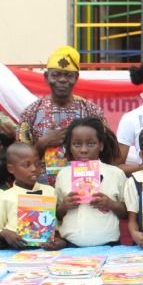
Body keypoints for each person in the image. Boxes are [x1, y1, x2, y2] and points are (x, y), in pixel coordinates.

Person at [17, 46, 105, 183]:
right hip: (42, 189)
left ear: (76, 78)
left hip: (84, 186)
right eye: (56, 75)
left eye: (68, 75)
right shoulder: (30, 113)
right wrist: (42, 144)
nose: (62, 80)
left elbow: (106, 153)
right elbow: (20, 160)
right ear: (46, 77)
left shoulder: (92, 112)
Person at [54, 118, 128, 247]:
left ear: (101, 146)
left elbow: (128, 212)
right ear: (69, 147)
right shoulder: (63, 175)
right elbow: (56, 214)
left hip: (109, 246)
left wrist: (111, 204)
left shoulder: (116, 174)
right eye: (77, 145)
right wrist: (64, 206)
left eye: (91, 144)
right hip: (71, 246)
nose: (84, 150)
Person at [0, 142, 62, 250]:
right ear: (11, 169)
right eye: (27, 165)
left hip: (46, 250)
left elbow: (58, 225)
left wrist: (59, 240)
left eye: (37, 164)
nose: (34, 169)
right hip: (14, 251)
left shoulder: (50, 192)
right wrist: (5, 233)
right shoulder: (5, 197)